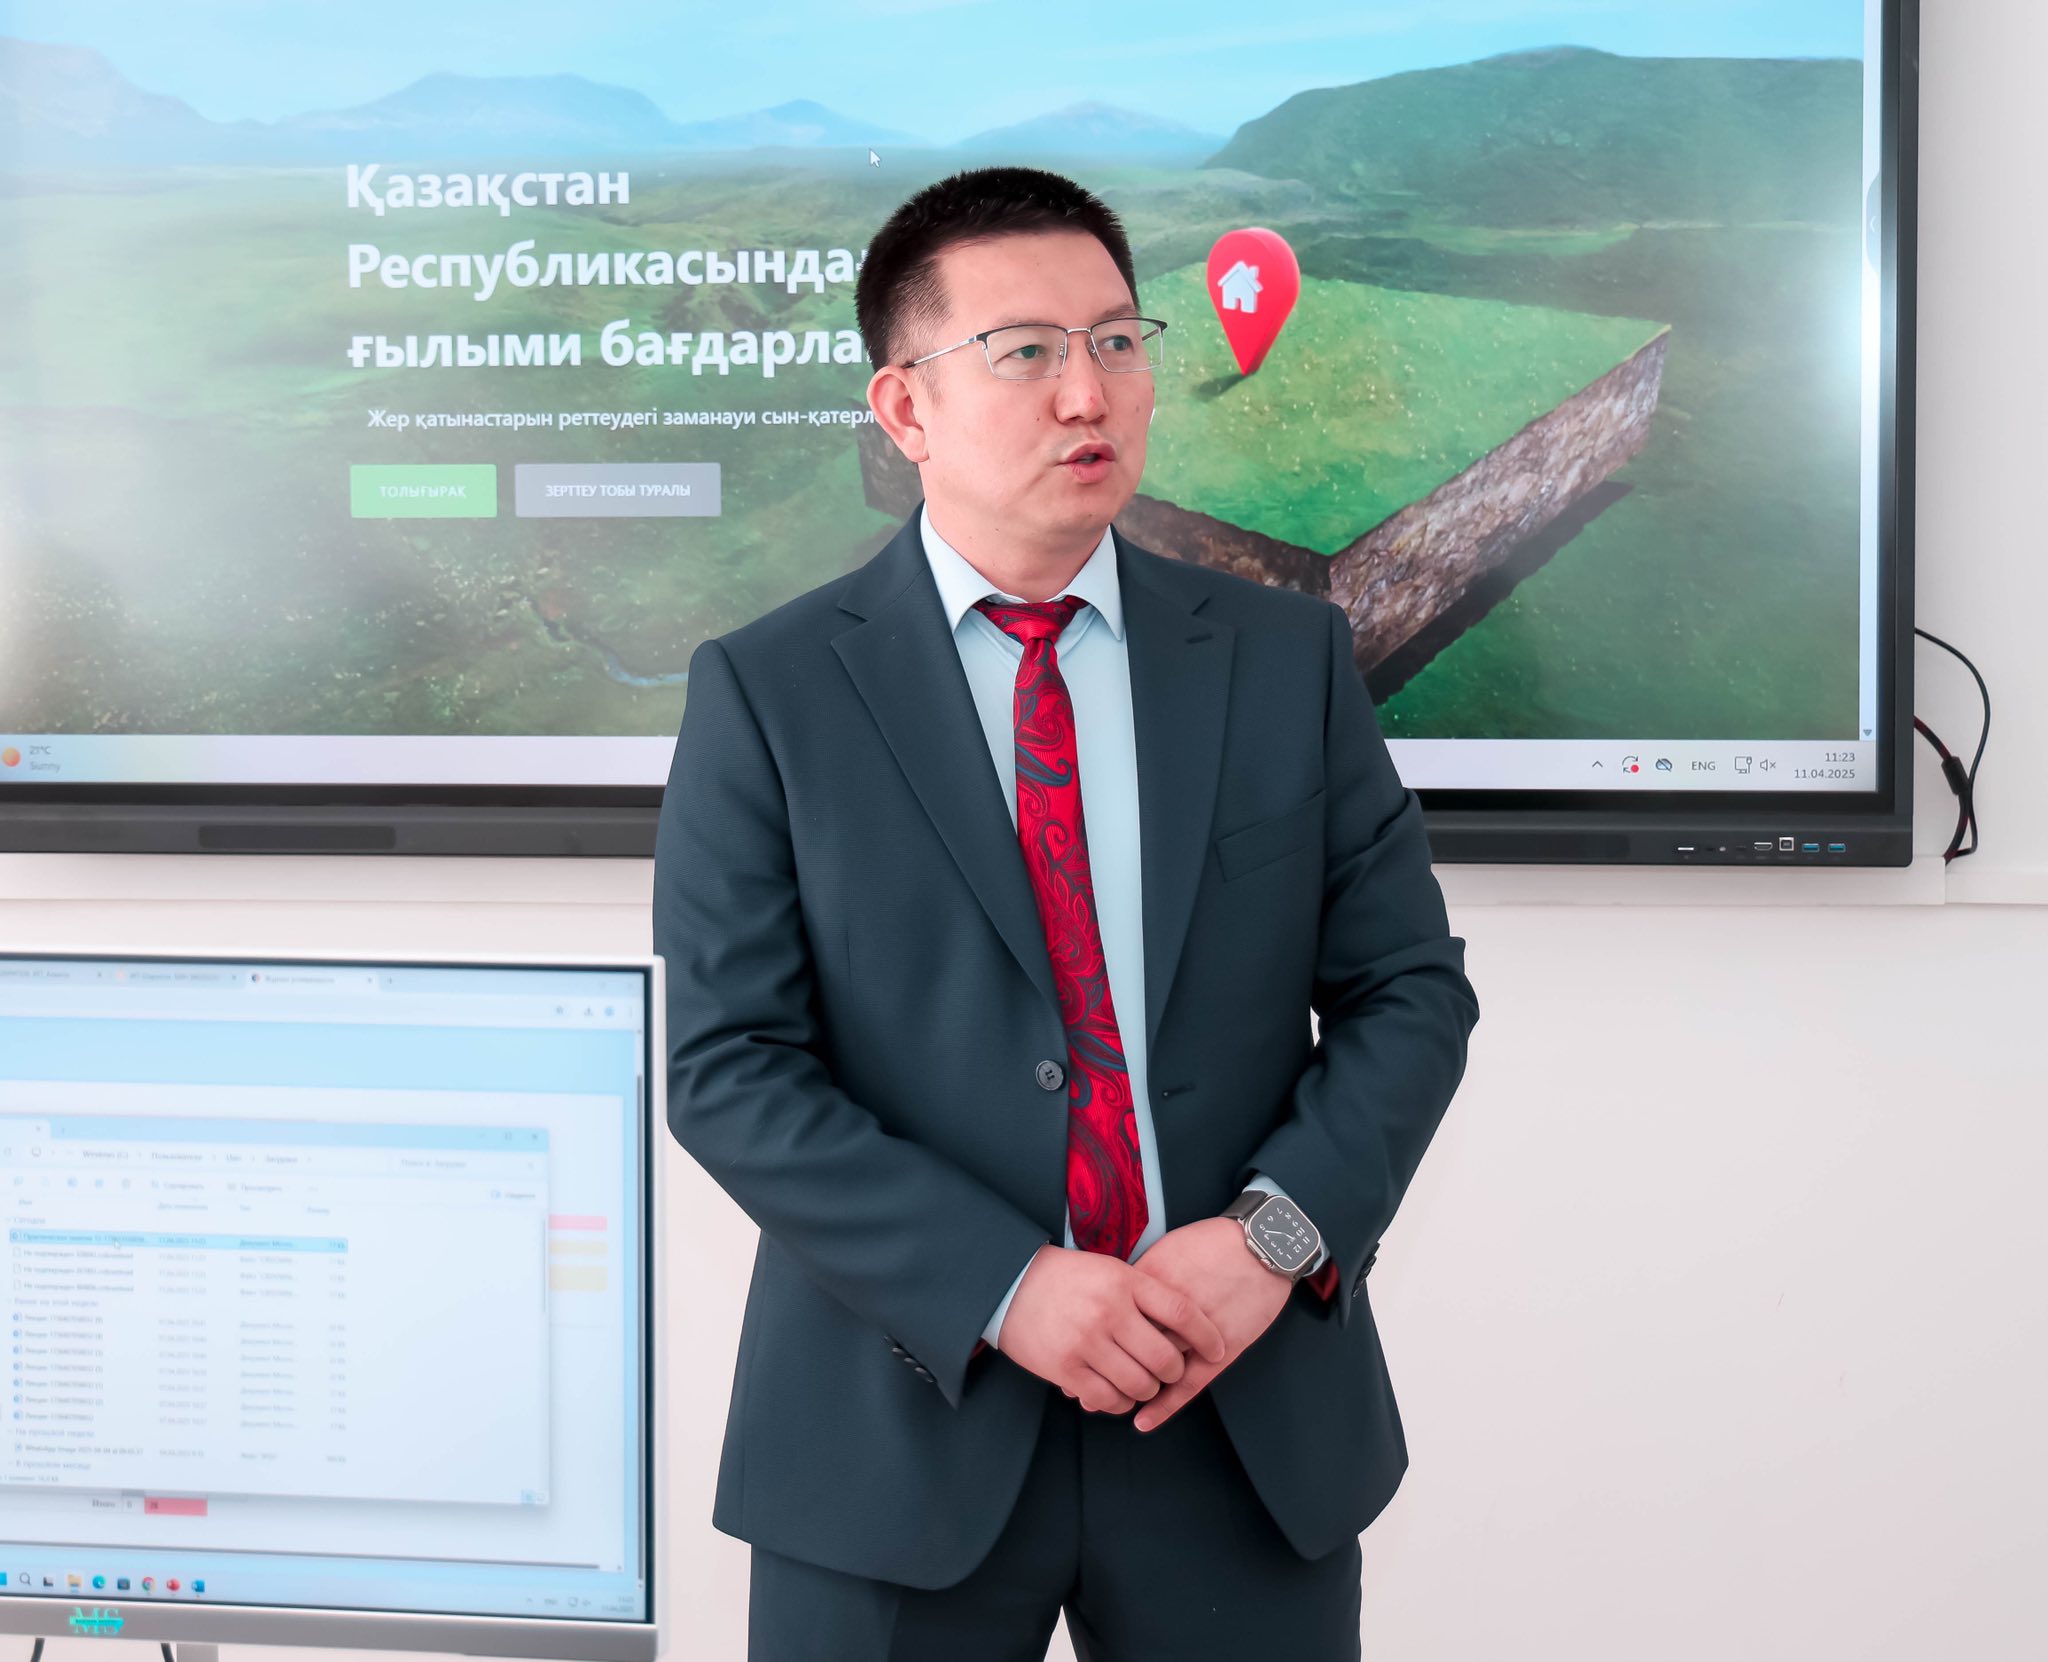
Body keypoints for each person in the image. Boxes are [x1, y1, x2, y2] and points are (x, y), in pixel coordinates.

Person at [654, 164, 1480, 1661]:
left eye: (1115, 340)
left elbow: (1410, 991)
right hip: (901, 1429)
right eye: (1024, 351)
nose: (1087, 392)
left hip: (1232, 1411)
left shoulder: (1285, 659)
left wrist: (1274, 1236)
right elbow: (731, 1068)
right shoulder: (770, 694)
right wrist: (1007, 1286)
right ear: (905, 408)